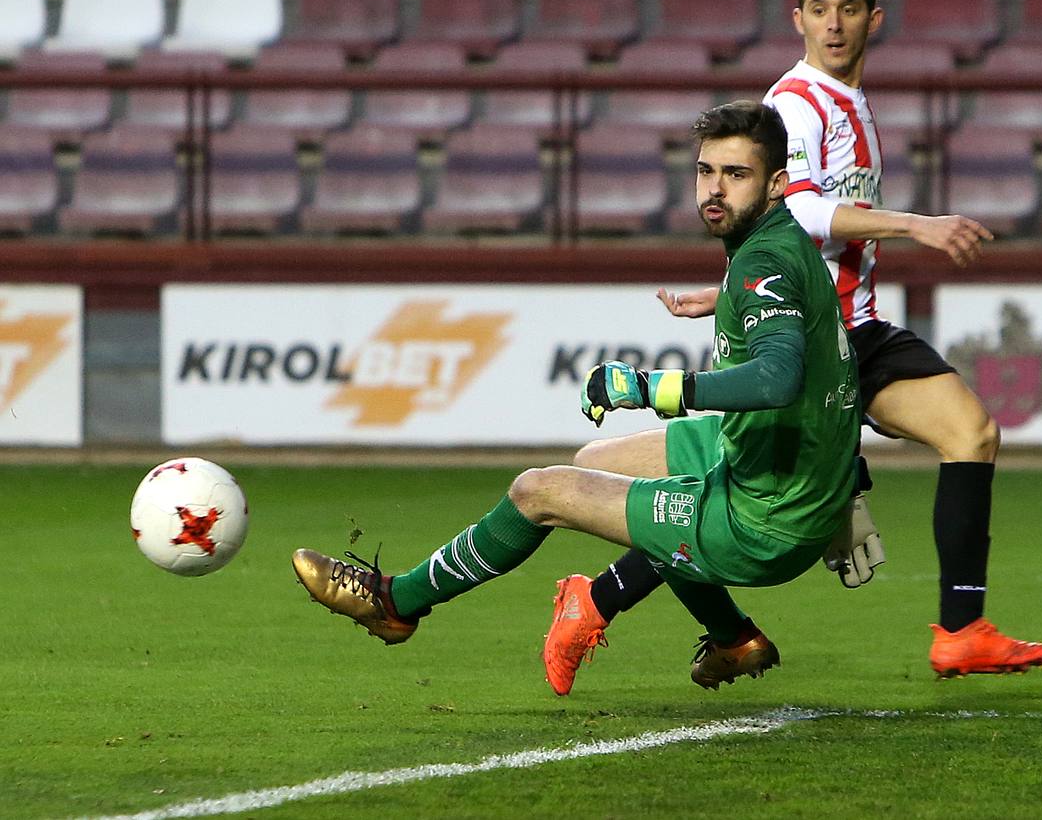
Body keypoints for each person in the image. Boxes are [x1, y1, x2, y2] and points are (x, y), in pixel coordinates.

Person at [543, 0, 1042, 694]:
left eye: (849, 8)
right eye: (820, 9)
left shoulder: (851, 100)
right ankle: (602, 600)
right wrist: (917, 225)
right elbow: (803, 210)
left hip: (861, 330)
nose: (835, 23)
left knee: (971, 433)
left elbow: (781, 230)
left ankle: (961, 631)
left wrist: (723, 288)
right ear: (799, 19)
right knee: (729, 496)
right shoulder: (799, 103)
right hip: (819, 344)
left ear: (873, 18)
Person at [293, 100, 863, 690]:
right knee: (595, 464)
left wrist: (653, 387)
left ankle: (396, 603)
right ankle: (733, 639)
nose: (715, 190)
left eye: (736, 175)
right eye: (705, 171)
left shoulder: (760, 264)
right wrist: (848, 477)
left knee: (538, 492)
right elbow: (827, 372)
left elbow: (778, 378)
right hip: (789, 469)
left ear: (776, 183)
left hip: (765, 517)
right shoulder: (787, 245)